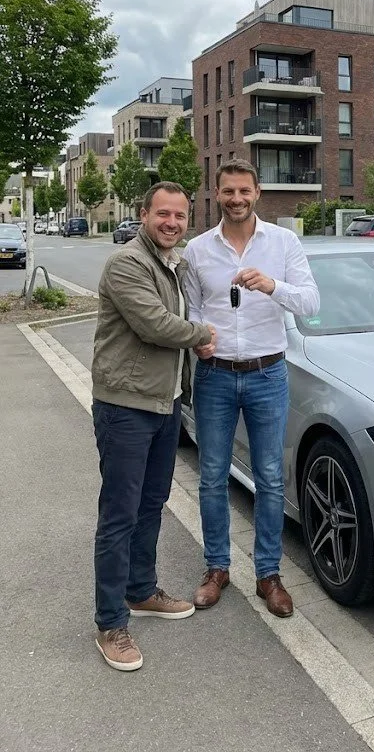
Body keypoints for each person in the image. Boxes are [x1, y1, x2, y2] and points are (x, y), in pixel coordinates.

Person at [184, 158, 320, 618]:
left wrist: (273, 285)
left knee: (270, 477)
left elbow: (311, 302)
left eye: (244, 191)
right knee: (212, 475)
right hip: (215, 374)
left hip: (267, 374)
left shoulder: (283, 242)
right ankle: (216, 567)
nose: (237, 199)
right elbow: (192, 310)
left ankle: (268, 574)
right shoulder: (198, 249)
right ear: (216, 194)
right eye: (228, 191)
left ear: (257, 192)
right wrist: (198, 339)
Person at [91, 182, 217, 671]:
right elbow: (155, 325)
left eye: (180, 216)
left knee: (150, 504)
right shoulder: (127, 263)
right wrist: (203, 334)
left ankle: (141, 590)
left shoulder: (172, 263)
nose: (172, 223)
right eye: (163, 214)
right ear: (143, 214)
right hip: (126, 406)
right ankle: (110, 622)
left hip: (165, 403)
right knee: (119, 514)